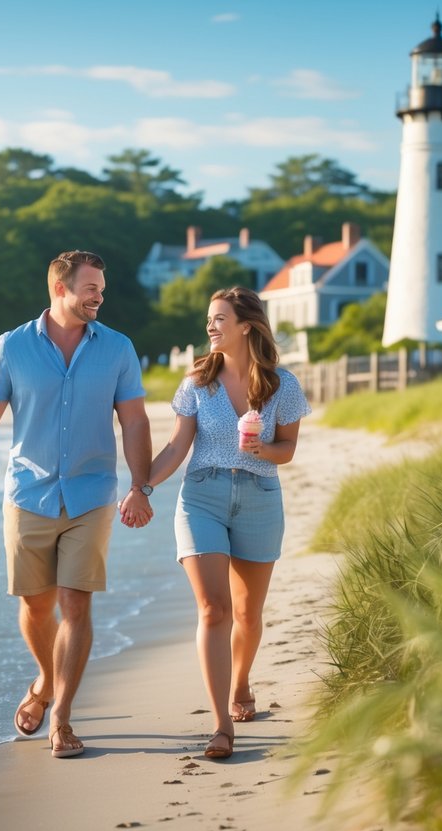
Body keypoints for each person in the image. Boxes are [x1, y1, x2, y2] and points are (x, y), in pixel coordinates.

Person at [0, 249, 153, 759]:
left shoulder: (118, 349)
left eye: (101, 288)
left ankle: (61, 717)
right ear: (60, 289)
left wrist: (139, 485)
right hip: (28, 494)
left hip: (92, 493)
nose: (99, 296)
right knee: (35, 607)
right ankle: (45, 680)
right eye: (90, 288)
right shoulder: (11, 348)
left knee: (76, 603)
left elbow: (135, 422)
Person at [131, 287, 310, 760]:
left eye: (218, 319)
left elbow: (287, 450)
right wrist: (141, 485)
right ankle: (221, 724)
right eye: (208, 319)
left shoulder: (282, 385)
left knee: (248, 615)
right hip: (202, 497)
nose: (210, 327)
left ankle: (242, 679)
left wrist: (261, 450)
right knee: (214, 610)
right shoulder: (197, 382)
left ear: (246, 325)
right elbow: (176, 448)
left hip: (260, 497)